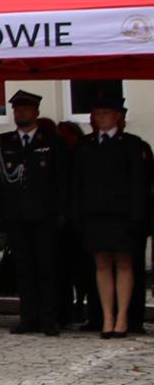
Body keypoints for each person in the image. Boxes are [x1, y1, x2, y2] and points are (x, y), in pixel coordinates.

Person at [72, 96, 148, 339]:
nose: (100, 117)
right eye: (96, 112)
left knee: (124, 264)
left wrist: (139, 217)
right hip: (95, 215)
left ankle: (123, 317)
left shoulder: (133, 144)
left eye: (105, 112)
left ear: (118, 116)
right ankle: (107, 317)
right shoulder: (85, 145)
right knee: (102, 264)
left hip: (123, 216)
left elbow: (140, 185)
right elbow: (77, 183)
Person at [0, 90, 68, 337]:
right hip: (17, 215)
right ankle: (28, 316)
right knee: (24, 269)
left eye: (25, 109)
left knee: (47, 269)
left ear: (36, 112)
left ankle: (49, 318)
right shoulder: (4, 142)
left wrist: (60, 213)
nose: (20, 113)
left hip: (44, 216)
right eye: (16, 109)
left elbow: (60, 181)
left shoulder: (51, 142)